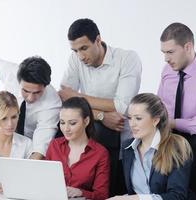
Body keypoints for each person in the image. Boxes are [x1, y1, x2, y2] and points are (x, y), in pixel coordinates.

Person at [59, 18, 142, 196]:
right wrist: (100, 116)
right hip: (90, 136)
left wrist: (78, 96)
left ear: (98, 40)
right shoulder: (76, 60)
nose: (80, 56)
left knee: (111, 192)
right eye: (75, 51)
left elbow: (122, 106)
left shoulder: (127, 58)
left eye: (84, 48)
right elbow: (66, 99)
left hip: (121, 140)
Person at [108, 93, 193, 200]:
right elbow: (131, 192)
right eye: (129, 118)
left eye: (138, 118)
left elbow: (177, 196)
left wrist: (136, 198)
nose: (132, 124)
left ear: (155, 120)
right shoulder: (128, 148)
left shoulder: (176, 146)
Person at [0, 56, 61, 159]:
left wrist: (24, 170)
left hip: (29, 145)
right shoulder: (10, 72)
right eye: (25, 91)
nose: (30, 98)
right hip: (3, 139)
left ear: (46, 86)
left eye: (37, 92)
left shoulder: (52, 103)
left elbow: (39, 148)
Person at [45, 97, 110, 200]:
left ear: (86, 121)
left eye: (72, 123)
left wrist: (81, 192)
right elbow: (44, 181)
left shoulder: (100, 153)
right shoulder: (54, 145)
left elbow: (102, 195)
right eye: (62, 122)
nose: (66, 129)